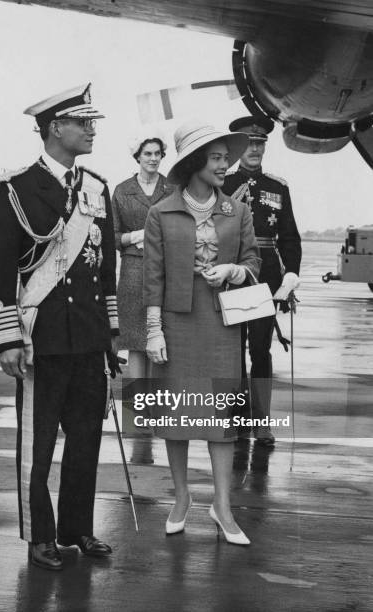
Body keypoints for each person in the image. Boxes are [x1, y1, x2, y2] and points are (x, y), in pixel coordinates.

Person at [0, 83, 119, 571]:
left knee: (86, 441)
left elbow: (106, 269)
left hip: (87, 336)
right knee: (37, 449)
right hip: (40, 339)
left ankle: (76, 527)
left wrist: (111, 337)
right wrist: (7, 339)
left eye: (92, 122)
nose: (91, 129)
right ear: (55, 128)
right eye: (83, 122)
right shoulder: (18, 187)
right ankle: (39, 535)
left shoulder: (97, 187)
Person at [143, 119, 261, 546]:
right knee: (177, 415)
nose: (225, 165)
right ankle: (181, 498)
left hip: (221, 324)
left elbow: (254, 262)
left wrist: (235, 269)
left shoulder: (239, 211)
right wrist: (153, 330)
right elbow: (151, 276)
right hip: (176, 324)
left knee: (220, 419)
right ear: (195, 163)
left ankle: (223, 507)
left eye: (226, 158)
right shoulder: (161, 213)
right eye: (216, 158)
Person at [224, 116, 302, 447]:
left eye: (260, 144)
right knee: (232, 351)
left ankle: (262, 422)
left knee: (260, 348)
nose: (254, 149)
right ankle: (238, 419)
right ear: (239, 147)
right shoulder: (222, 185)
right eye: (249, 143)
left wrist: (291, 277)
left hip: (264, 281)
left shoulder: (277, 187)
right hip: (232, 276)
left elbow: (290, 238)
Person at [111, 130, 172, 378]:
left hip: (165, 269)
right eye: (147, 153)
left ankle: (156, 406)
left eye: (158, 153)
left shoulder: (172, 189)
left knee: (160, 337)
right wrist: (136, 236)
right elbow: (112, 236)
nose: (153, 158)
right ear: (138, 156)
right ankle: (138, 406)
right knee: (136, 342)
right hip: (133, 272)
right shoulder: (122, 190)